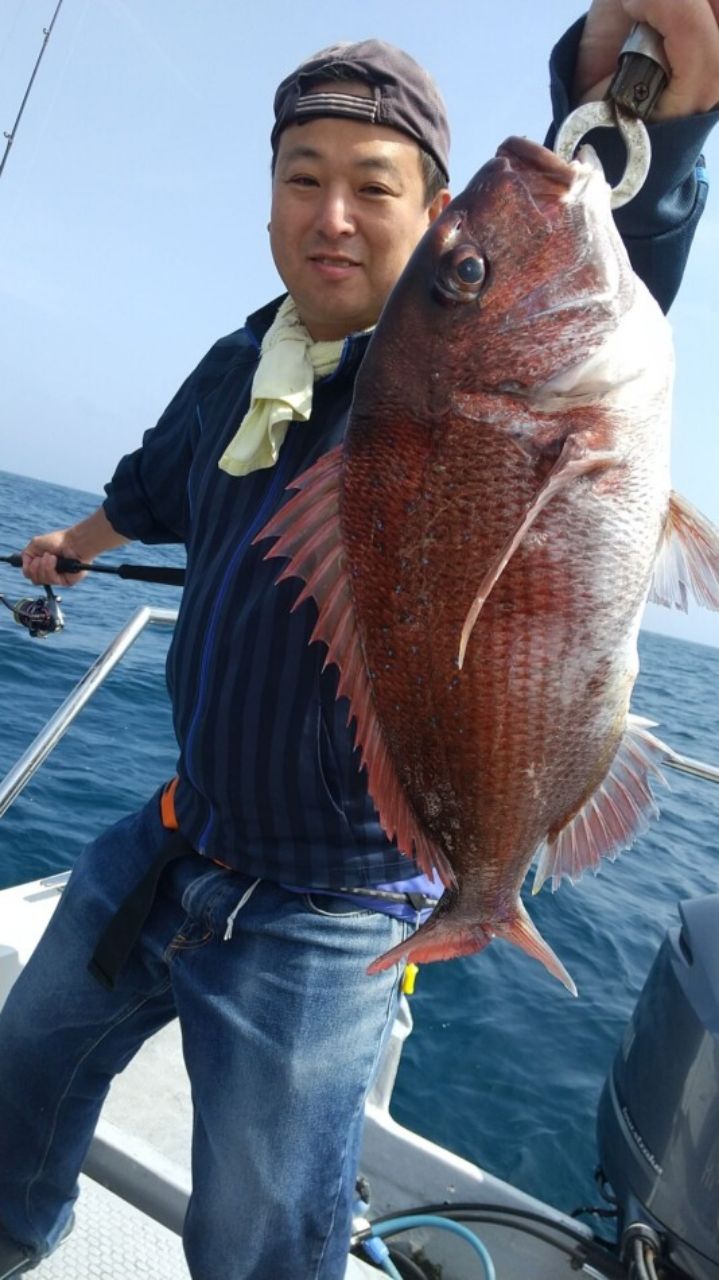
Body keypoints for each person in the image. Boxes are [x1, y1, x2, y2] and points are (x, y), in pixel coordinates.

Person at [1, 3, 717, 1277]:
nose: (332, 214)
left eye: (372, 187)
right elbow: (154, 484)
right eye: (302, 179)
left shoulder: (437, 381)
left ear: (434, 212)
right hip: (176, 832)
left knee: (261, 1228)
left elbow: (614, 248)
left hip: (334, 906)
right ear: (269, 202)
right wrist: (75, 547)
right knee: (21, 1066)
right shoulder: (240, 364)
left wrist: (655, 104)